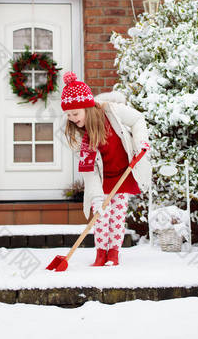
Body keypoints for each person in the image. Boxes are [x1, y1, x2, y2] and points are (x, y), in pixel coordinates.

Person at [61, 72, 152, 266]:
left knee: (117, 216)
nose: (72, 119)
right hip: (101, 180)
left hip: (123, 173)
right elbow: (89, 170)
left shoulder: (112, 111)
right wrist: (95, 196)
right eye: (68, 115)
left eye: (75, 113)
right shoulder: (81, 136)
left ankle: (113, 254)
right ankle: (100, 254)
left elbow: (138, 120)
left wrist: (140, 142)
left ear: (88, 107)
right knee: (101, 216)